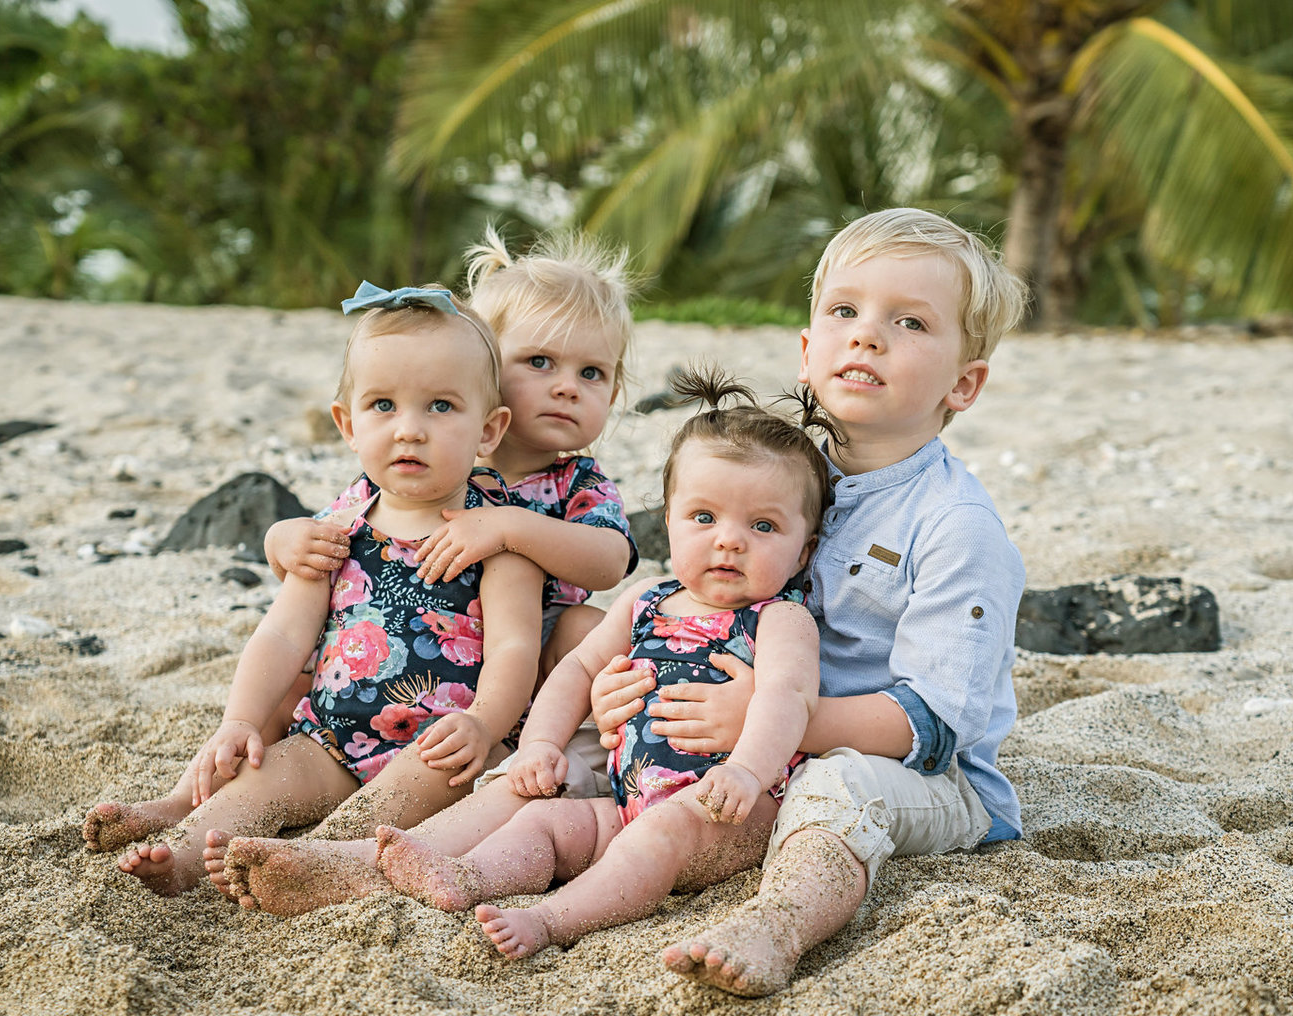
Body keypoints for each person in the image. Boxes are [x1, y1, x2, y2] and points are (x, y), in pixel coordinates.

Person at [82, 228, 638, 855]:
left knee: (590, 627)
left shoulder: (559, 491)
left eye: (591, 373)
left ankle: (325, 851)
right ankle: (188, 809)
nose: (566, 385)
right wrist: (280, 537)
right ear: (489, 367)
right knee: (284, 695)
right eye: (539, 362)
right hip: (348, 702)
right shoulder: (385, 486)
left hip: (496, 686)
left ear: (486, 425)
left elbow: (609, 560)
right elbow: (303, 588)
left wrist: (507, 529)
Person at [590, 207, 1029, 996]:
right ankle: (405, 855)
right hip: (766, 746)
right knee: (581, 744)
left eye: (910, 322)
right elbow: (698, 598)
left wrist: (768, 719)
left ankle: (778, 922)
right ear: (806, 350)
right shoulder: (778, 480)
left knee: (839, 789)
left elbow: (931, 723)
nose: (866, 336)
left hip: (916, 773)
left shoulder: (955, 526)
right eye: (845, 311)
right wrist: (621, 681)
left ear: (964, 382)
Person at [361, 367, 832, 960]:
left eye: (763, 526)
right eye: (705, 518)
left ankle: (551, 920)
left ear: (804, 549)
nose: (729, 541)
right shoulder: (647, 600)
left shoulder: (780, 619)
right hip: (630, 799)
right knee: (548, 825)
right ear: (668, 521)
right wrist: (539, 745)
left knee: (661, 835)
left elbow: (787, 699)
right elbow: (579, 670)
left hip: (729, 812)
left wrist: (744, 771)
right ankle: (471, 875)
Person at [113, 283, 545, 895]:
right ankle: (183, 855)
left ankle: (319, 860)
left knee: (418, 784)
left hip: (440, 742)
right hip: (329, 738)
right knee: (264, 777)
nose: (410, 431)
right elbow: (285, 631)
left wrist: (482, 722)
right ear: (347, 423)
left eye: (441, 407)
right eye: (383, 406)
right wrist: (241, 718)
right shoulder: (337, 529)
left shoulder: (496, 535)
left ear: (488, 431)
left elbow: (514, 648)